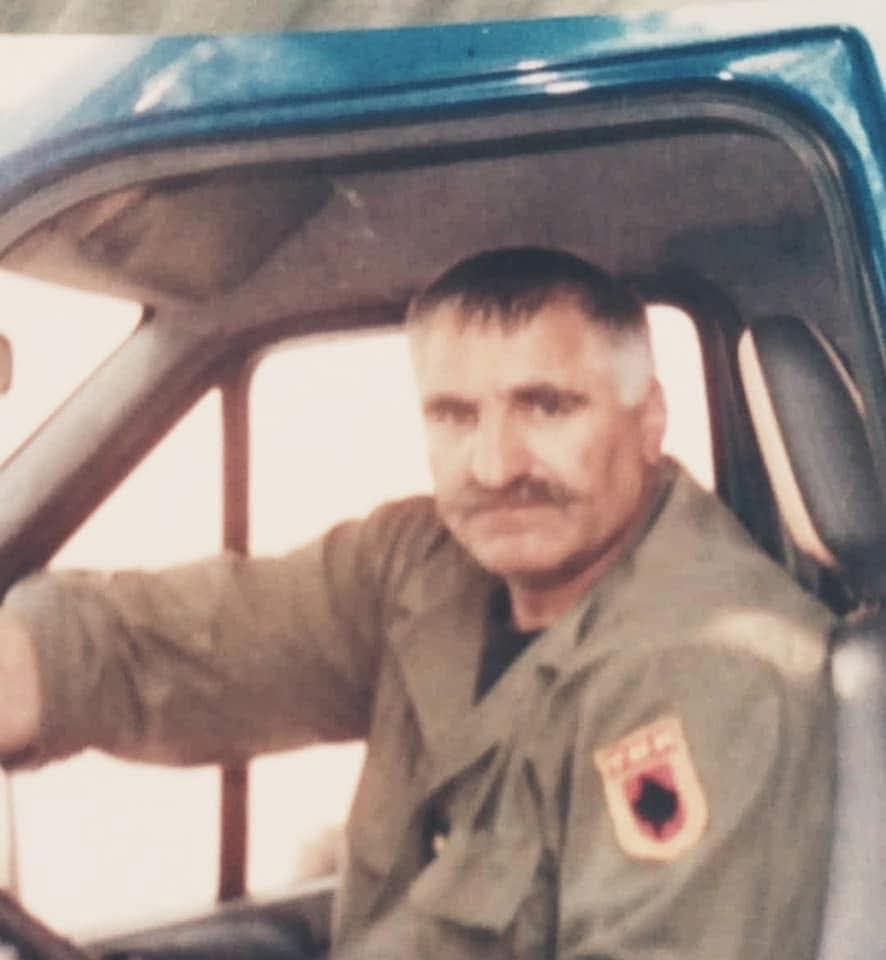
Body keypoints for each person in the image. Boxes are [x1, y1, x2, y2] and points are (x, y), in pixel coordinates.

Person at [0, 247, 833, 958]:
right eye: (455, 415)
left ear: (648, 419)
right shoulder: (423, 564)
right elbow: (162, 644)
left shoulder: (712, 667)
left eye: (546, 406)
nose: (496, 465)